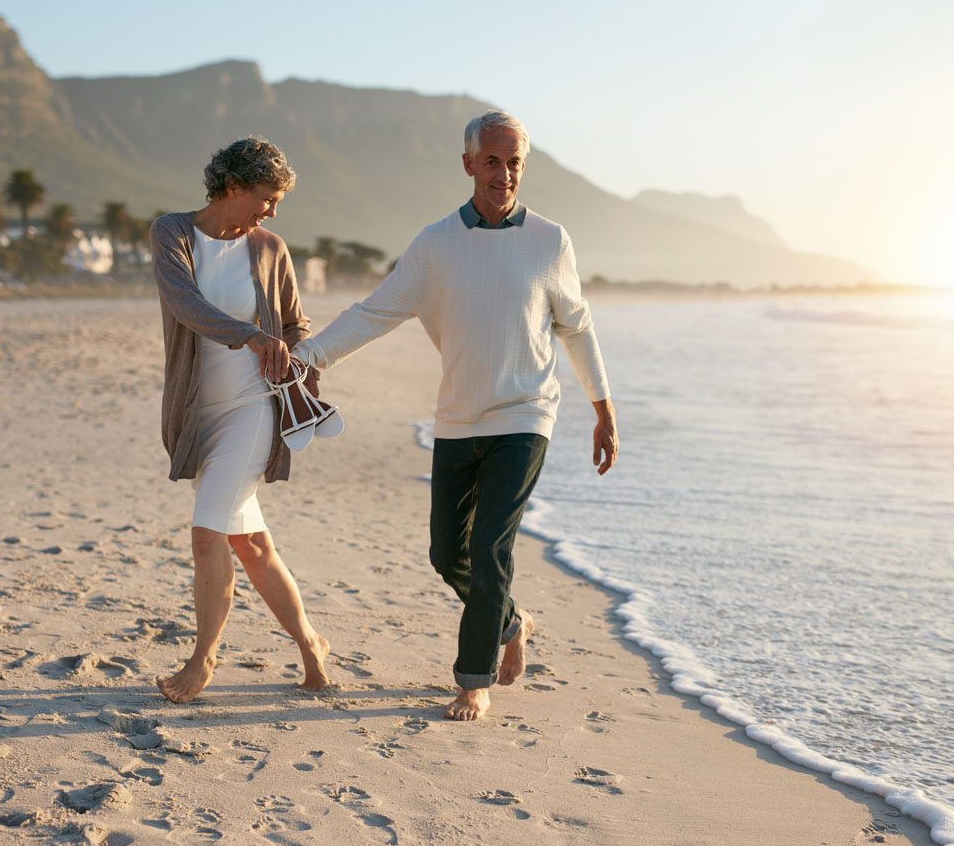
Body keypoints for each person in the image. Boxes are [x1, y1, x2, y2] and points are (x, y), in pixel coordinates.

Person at [298, 110, 618, 721]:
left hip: (526, 417)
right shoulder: (435, 244)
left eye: (515, 162)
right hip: (457, 420)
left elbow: (576, 327)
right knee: (448, 553)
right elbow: (374, 311)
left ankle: (475, 679)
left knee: (492, 546)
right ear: (469, 163)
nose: (504, 174)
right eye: (493, 161)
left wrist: (603, 409)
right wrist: (310, 356)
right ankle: (511, 620)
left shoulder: (550, 241)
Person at [149, 136, 331, 704]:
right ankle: (310, 645)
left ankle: (202, 661)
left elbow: (296, 323)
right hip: (199, 413)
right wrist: (253, 335)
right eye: (266, 197)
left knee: (208, 534)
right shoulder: (172, 233)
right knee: (250, 543)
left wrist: (297, 354)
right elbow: (185, 305)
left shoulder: (270, 247)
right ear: (231, 186)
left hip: (254, 408)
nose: (272, 210)